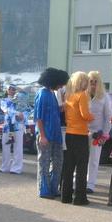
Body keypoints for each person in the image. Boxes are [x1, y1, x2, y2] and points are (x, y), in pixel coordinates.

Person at [34, 67, 69, 199]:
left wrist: (65, 106)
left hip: (56, 135)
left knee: (58, 161)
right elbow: (39, 117)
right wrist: (42, 136)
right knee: (44, 162)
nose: (61, 86)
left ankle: (54, 188)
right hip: (46, 135)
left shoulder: (51, 94)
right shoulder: (42, 94)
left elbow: (55, 111)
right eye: (60, 84)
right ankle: (44, 189)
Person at [61, 71, 93, 205]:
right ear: (83, 82)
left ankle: (65, 196)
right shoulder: (82, 96)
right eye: (87, 81)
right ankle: (80, 198)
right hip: (80, 134)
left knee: (68, 166)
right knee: (81, 167)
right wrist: (93, 117)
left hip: (69, 133)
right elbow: (85, 115)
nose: (89, 84)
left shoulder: (69, 95)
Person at [86, 71, 111, 194]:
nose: (93, 85)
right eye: (91, 82)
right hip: (82, 132)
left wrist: (105, 134)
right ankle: (77, 181)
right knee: (81, 159)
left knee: (94, 160)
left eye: (96, 82)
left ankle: (90, 184)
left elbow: (108, 117)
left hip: (97, 133)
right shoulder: (83, 95)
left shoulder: (105, 97)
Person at [0, 84, 25, 174]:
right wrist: (17, 113)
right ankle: (5, 166)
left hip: (18, 126)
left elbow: (26, 110)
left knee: (18, 147)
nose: (12, 90)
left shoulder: (20, 100)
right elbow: (6, 110)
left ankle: (16, 168)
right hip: (7, 127)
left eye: (14, 89)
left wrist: (23, 116)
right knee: (5, 146)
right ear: (6, 90)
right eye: (10, 89)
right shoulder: (4, 101)